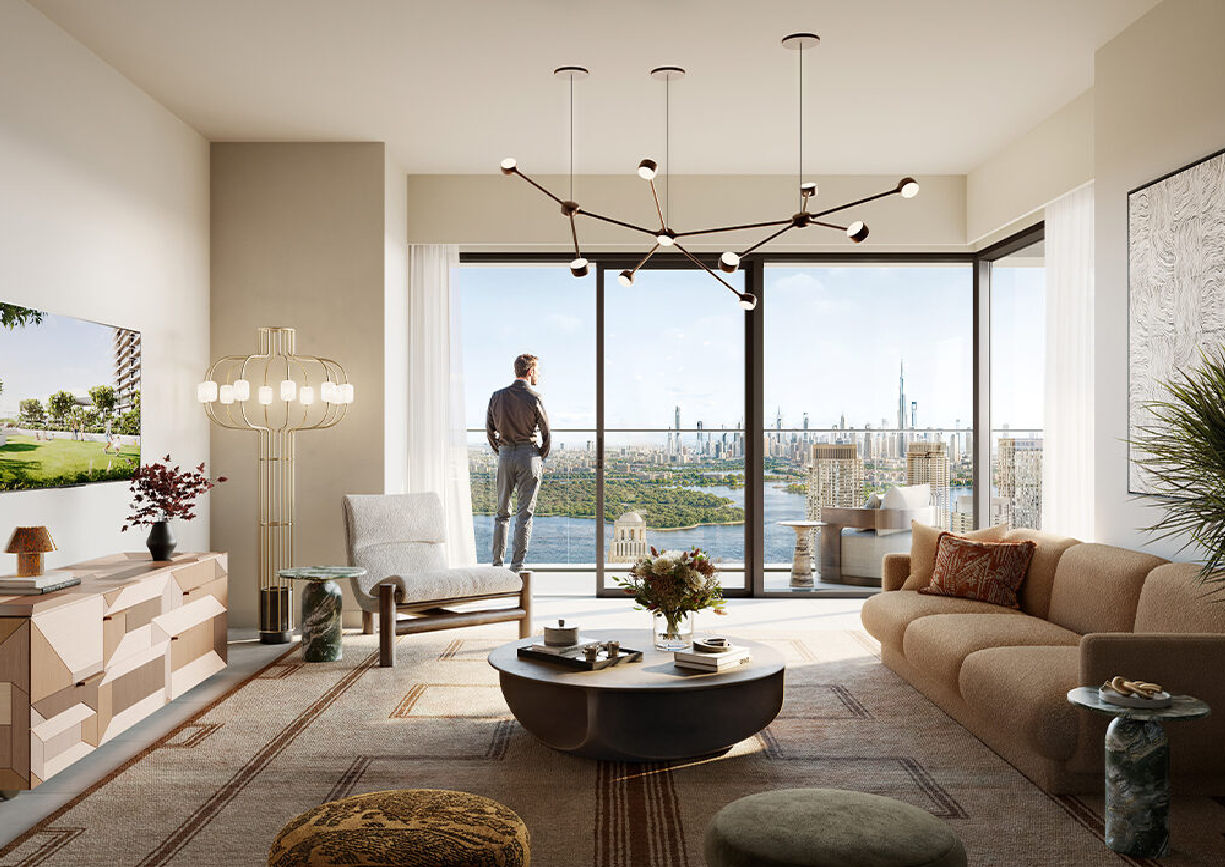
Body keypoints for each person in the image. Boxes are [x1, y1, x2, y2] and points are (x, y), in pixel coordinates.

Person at [486, 353, 550, 573]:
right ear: (530, 371)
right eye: (537, 371)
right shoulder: (534, 398)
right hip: (528, 456)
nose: (538, 375)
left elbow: (490, 429)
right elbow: (546, 432)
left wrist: (501, 450)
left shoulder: (497, 396)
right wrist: (539, 455)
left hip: (505, 457)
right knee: (524, 514)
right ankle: (516, 567)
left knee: (502, 513)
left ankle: (497, 565)